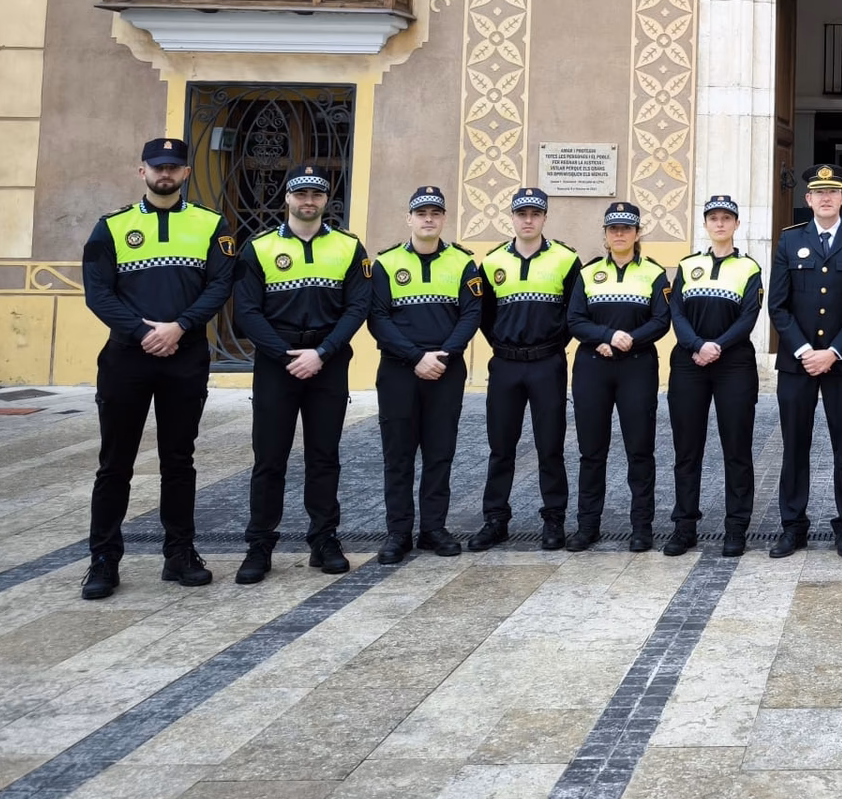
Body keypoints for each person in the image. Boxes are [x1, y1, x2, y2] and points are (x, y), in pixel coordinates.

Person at [79, 137, 237, 600]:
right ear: (142, 171)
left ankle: (180, 554)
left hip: (184, 357)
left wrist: (180, 326)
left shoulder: (210, 224)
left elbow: (221, 284)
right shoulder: (112, 226)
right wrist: (142, 331)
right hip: (126, 357)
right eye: (157, 166)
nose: (164, 174)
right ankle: (103, 559)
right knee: (115, 463)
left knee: (179, 460)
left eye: (172, 167)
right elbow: (97, 292)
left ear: (186, 173)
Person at [232, 166, 371, 584]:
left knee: (324, 457)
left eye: (316, 194)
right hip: (277, 365)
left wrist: (322, 353)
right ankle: (259, 545)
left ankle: (324, 540)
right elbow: (246, 311)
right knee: (269, 458)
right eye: (301, 193)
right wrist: (285, 355)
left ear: (326, 200)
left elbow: (357, 307)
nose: (308, 200)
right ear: (287, 198)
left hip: (328, 362)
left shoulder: (349, 247)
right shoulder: (258, 248)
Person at [368, 185, 482, 564]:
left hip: (446, 371)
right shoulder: (385, 264)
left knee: (439, 453)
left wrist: (443, 355)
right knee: (398, 455)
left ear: (444, 218)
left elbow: (471, 314)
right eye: (421, 213)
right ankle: (398, 532)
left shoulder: (463, 263)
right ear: (409, 219)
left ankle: (433, 528)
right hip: (399, 371)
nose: (428, 219)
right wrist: (416, 357)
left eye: (435, 213)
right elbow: (378, 318)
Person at [767, 164, 842, 559]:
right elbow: (777, 305)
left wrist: (832, 352)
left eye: (833, 192)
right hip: (797, 365)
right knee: (795, 446)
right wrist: (803, 351)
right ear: (808, 199)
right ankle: (792, 526)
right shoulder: (789, 240)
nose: (826, 198)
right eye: (819, 192)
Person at [470, 187, 582, 553]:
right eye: (522, 214)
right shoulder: (492, 262)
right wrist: (503, 343)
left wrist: (551, 345)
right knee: (501, 447)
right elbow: (483, 315)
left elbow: (574, 312)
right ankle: (495, 520)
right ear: (512, 217)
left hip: (548, 363)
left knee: (550, 446)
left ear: (545, 217)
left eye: (535, 214)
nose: (528, 220)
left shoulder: (566, 259)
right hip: (505, 364)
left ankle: (554, 519)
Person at [567, 201, 672, 552]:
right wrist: (606, 337)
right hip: (593, 365)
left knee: (639, 450)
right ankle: (587, 526)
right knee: (591, 451)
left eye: (626, 228)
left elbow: (661, 320)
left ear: (637, 233)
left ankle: (641, 527)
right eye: (614, 229)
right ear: (606, 234)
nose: (620, 234)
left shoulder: (654, 273)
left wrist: (629, 340)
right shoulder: (588, 273)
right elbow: (575, 319)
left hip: (637, 366)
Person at [668, 195, 763, 558]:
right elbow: (676, 312)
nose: (720, 224)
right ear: (706, 224)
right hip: (689, 363)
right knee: (687, 449)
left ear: (737, 224)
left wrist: (716, 346)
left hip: (733, 364)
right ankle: (684, 526)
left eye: (726, 218)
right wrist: (696, 345)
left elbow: (748, 317)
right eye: (714, 218)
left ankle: (736, 527)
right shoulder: (688, 265)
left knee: (736, 448)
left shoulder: (749, 268)